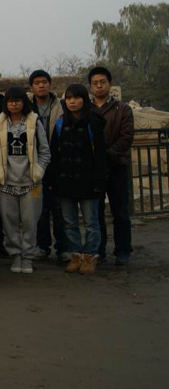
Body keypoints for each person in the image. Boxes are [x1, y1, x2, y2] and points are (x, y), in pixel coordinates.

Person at [0, 87, 50, 274]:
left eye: (17, 100)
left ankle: (28, 257)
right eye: (10, 101)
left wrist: (39, 171)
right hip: (5, 183)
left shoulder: (34, 121)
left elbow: (45, 151)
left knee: (31, 221)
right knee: (10, 222)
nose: (14, 104)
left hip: (32, 182)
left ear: (24, 102)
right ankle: (15, 256)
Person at [46, 84, 107, 274]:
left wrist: (99, 181)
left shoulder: (94, 122)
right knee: (69, 221)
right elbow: (53, 154)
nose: (72, 102)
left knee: (91, 221)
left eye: (76, 98)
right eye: (69, 98)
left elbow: (101, 155)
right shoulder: (60, 123)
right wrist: (52, 179)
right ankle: (74, 254)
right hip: (65, 180)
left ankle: (90, 256)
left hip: (88, 180)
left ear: (84, 100)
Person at [89, 66, 134, 265]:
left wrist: (106, 155)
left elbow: (126, 138)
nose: (99, 86)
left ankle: (123, 250)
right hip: (93, 170)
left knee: (120, 212)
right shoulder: (86, 109)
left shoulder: (122, 109)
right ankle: (98, 249)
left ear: (110, 84)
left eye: (103, 82)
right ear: (90, 86)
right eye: (95, 83)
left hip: (116, 167)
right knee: (95, 213)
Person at [27, 70, 67, 262]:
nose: (41, 85)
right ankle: (42, 246)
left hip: (57, 163)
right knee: (39, 210)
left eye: (44, 82)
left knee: (60, 209)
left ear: (50, 84)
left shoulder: (61, 106)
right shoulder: (27, 107)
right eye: (37, 83)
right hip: (34, 165)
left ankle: (63, 248)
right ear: (31, 87)